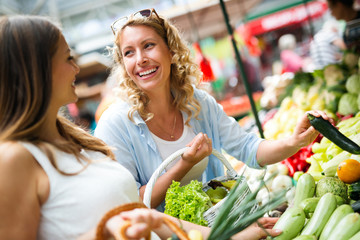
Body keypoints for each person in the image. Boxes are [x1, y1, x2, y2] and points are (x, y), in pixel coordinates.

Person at [0, 15, 283, 240]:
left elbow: (148, 218)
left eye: (149, 45)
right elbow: (130, 217)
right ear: (36, 70)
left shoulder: (75, 141)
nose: (76, 69)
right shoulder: (13, 159)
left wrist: (237, 234)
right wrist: (107, 229)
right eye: (67, 58)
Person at [94, 8, 329, 211]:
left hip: (219, 228)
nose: (141, 59)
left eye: (148, 46)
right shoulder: (115, 125)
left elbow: (249, 148)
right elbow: (132, 203)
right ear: (123, 65)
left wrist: (294, 142)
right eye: (129, 52)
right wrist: (184, 165)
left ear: (171, 51)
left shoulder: (197, 103)